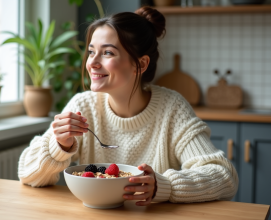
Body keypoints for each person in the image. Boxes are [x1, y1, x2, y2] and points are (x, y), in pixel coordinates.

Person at [18, 6, 238, 206]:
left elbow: (224, 176)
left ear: (140, 64)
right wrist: (60, 146)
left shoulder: (172, 109)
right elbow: (26, 174)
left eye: (107, 53)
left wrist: (164, 185)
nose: (92, 63)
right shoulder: (82, 106)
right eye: (92, 51)